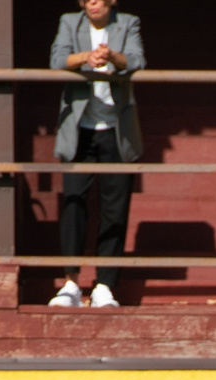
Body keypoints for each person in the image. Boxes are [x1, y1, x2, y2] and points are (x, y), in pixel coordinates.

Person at [48, 0, 144, 310]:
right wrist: (86, 58)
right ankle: (71, 282)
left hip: (115, 129)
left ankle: (104, 285)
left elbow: (137, 60)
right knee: (74, 202)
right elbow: (57, 60)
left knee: (114, 207)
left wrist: (112, 56)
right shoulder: (69, 22)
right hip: (79, 130)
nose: (92, 2)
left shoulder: (128, 22)